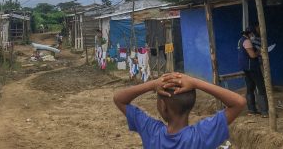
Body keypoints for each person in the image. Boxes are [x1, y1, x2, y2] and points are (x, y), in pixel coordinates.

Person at [113, 72, 245, 149]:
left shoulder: (151, 131)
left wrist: (152, 84)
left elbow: (119, 99)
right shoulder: (202, 135)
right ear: (191, 104)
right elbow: (239, 103)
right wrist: (196, 83)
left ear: (163, 106)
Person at [237, 26, 268, 117]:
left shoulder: (240, 40)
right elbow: (252, 55)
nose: (253, 36)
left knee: (250, 88)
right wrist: (260, 51)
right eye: (253, 34)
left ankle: (252, 110)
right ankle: (265, 112)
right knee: (261, 87)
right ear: (250, 34)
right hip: (252, 67)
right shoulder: (247, 41)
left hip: (245, 67)